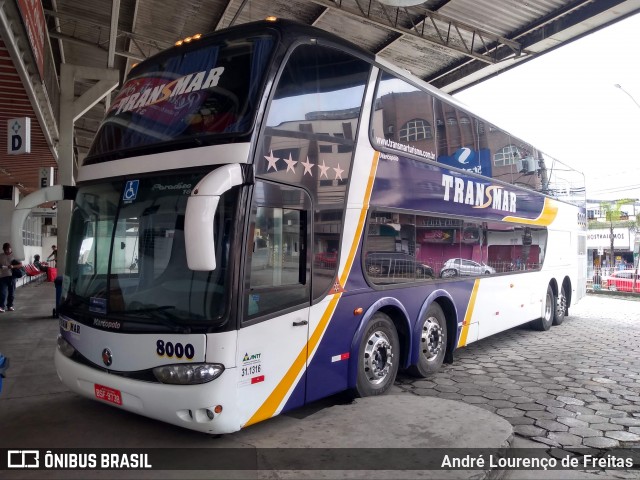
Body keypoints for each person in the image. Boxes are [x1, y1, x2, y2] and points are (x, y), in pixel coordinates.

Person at [0, 242, 23, 312]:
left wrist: (13, 266)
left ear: (10, 248)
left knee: (11, 293)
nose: (7, 251)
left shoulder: (14, 256)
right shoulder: (1, 255)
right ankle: (1, 306)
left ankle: (10, 305)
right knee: (2, 292)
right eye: (5, 250)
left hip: (12, 276)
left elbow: (20, 265)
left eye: (8, 249)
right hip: (2, 276)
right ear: (3, 249)